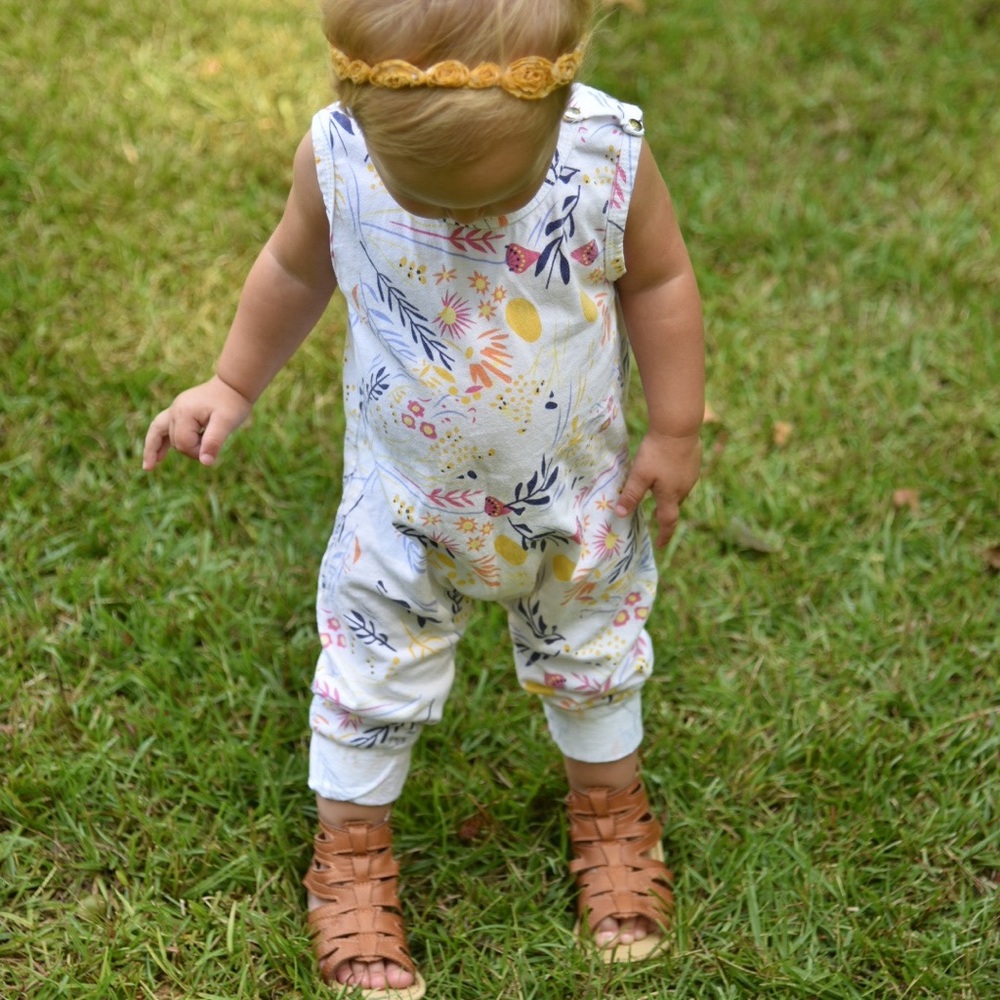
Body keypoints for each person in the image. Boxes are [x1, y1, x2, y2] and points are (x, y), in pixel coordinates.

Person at [143, 0, 704, 995]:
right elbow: (291, 267)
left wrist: (673, 430)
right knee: (366, 671)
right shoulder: (340, 155)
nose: (462, 224)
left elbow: (658, 283)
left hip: (576, 498)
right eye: (431, 201)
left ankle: (609, 811)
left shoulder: (605, 157)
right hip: (400, 505)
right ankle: (351, 853)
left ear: (556, 104)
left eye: (494, 199)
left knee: (595, 653)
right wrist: (230, 382)